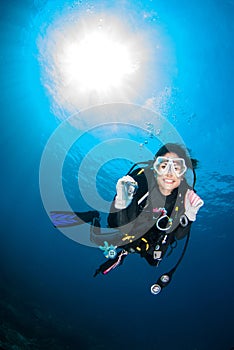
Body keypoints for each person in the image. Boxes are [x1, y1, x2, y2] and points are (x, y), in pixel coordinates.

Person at [93, 143, 204, 293]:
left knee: (154, 261)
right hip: (128, 230)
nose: (169, 174)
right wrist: (121, 202)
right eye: (163, 166)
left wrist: (190, 216)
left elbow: (178, 236)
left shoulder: (185, 195)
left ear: (183, 173)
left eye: (177, 168)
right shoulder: (141, 181)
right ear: (155, 168)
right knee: (98, 238)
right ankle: (94, 217)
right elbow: (114, 224)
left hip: (152, 242)